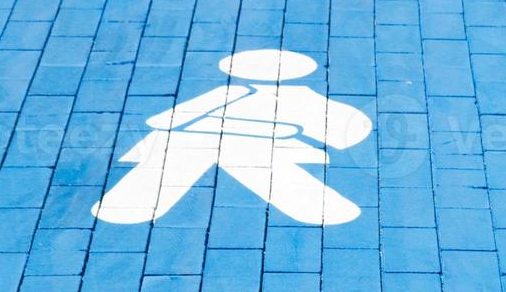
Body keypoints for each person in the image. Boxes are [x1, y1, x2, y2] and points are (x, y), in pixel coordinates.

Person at [92, 49, 373, 226]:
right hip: (216, 142)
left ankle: (134, 201)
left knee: (207, 147)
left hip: (243, 145)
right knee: (200, 146)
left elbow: (164, 122)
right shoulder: (231, 95)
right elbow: (165, 122)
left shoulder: (297, 100)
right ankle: (134, 201)